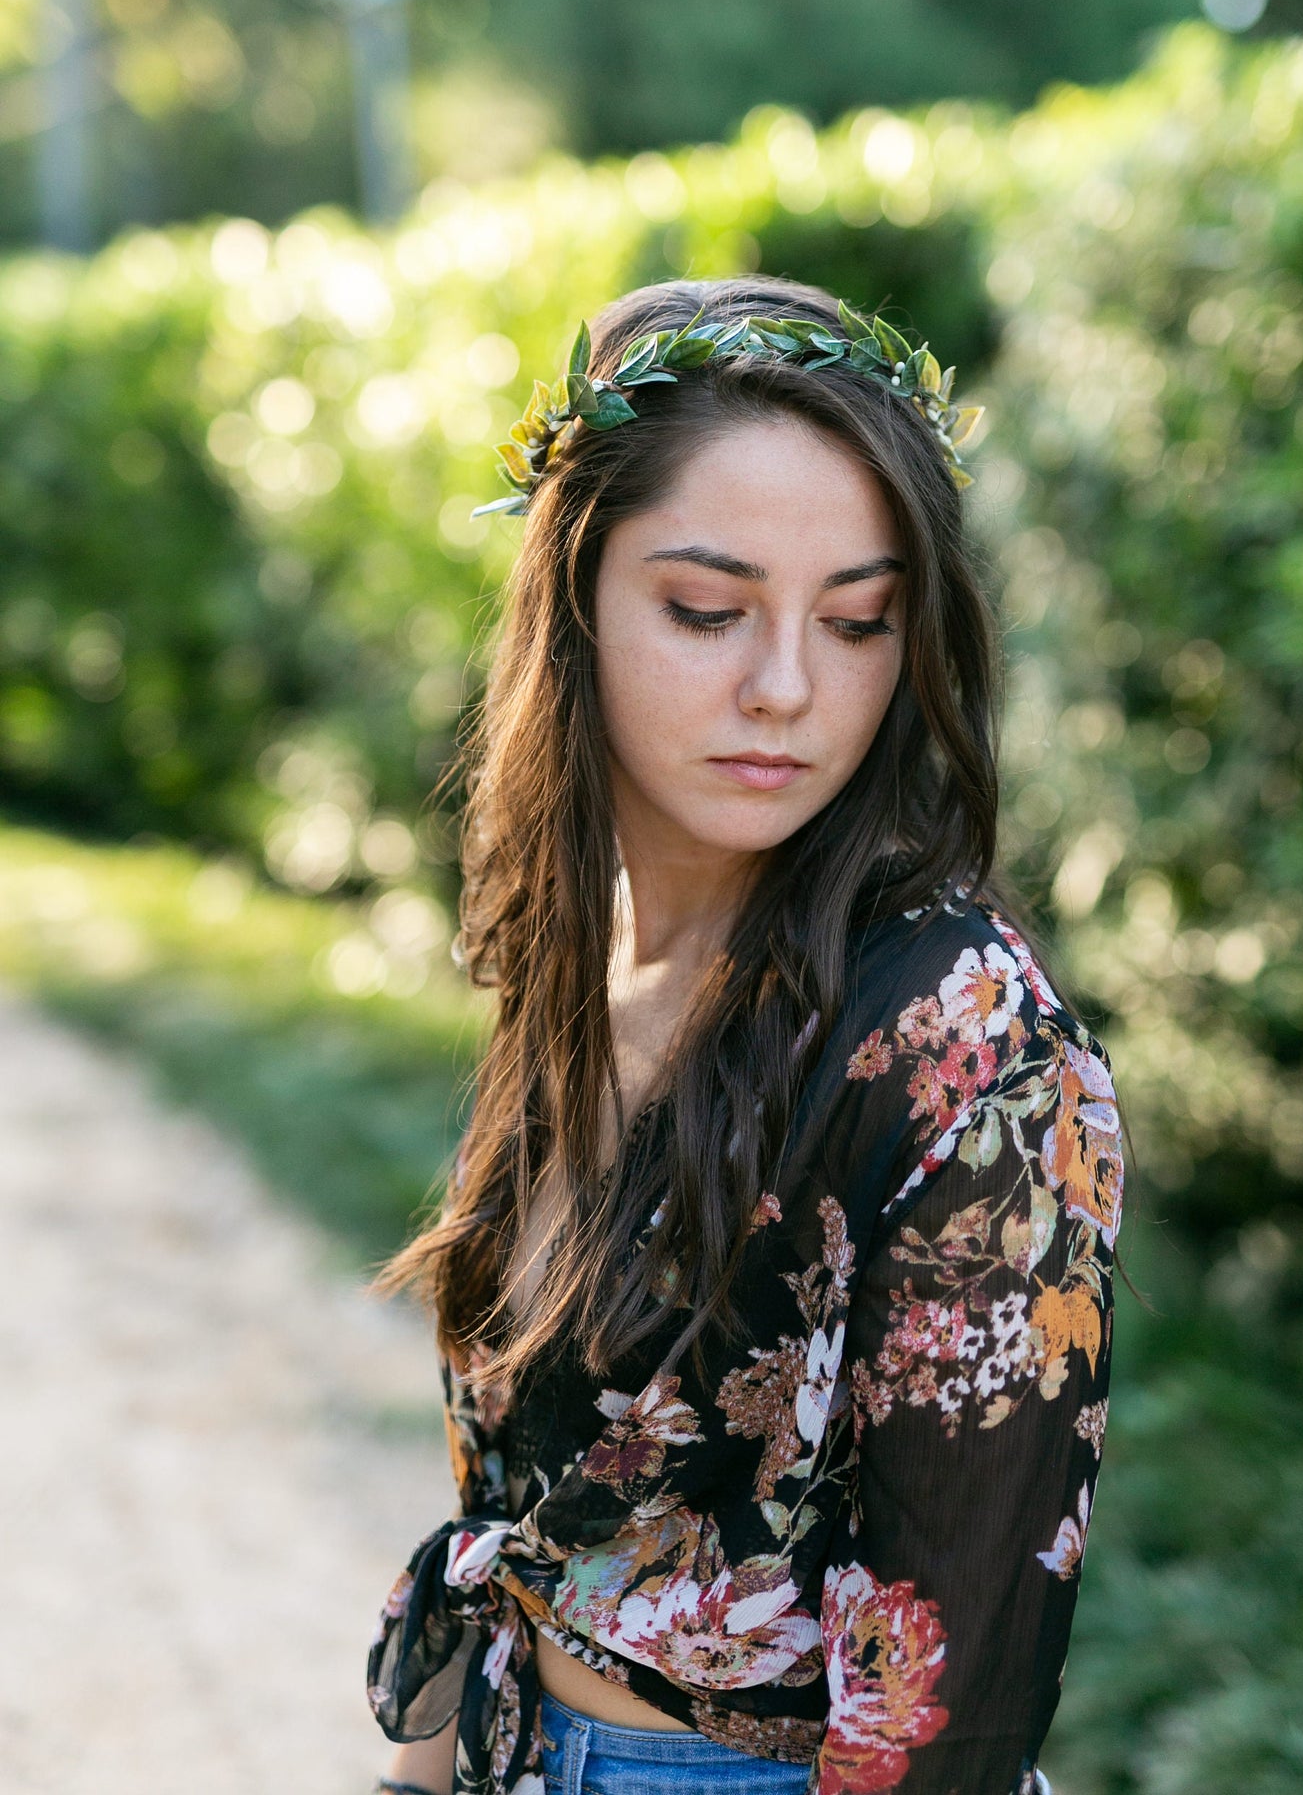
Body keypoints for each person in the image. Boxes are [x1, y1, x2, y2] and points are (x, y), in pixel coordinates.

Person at [367, 277, 1121, 1795]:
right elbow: (523, 1493)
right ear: (572, 596)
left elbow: (946, 1718)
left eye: (856, 622)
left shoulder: (964, 1047)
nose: (785, 690)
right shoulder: (575, 938)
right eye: (707, 612)